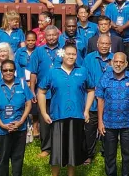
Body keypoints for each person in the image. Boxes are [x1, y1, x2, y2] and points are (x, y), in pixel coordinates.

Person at [37, 44, 95, 176]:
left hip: (77, 116)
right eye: (68, 54)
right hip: (58, 116)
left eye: (73, 54)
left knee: (72, 150)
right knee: (57, 151)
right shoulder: (53, 72)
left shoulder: (83, 71)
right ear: (63, 55)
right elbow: (41, 91)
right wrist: (44, 112)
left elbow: (91, 90)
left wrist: (86, 110)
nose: (71, 56)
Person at [96, 52, 129, 176]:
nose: (118, 64)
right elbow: (100, 100)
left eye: (121, 62)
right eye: (116, 61)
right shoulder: (105, 78)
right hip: (109, 123)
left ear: (126, 64)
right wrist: (100, 122)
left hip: (127, 123)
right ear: (111, 63)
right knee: (109, 155)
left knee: (127, 155)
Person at [0, 59, 33, 176]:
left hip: (19, 128)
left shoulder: (22, 84)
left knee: (18, 159)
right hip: (1, 130)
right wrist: (2, 125)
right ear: (1, 71)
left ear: (15, 71)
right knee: (3, 160)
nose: (8, 72)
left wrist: (21, 121)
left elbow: (29, 104)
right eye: (5, 70)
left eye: (11, 70)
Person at [28, 25, 64, 157]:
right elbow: (33, 72)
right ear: (45, 36)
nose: (51, 37)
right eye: (48, 35)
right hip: (43, 92)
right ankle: (46, 148)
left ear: (58, 35)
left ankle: (60, 145)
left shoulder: (64, 49)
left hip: (61, 91)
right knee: (44, 120)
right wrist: (32, 90)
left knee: (60, 118)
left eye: (54, 35)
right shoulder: (38, 51)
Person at [83, 35, 114, 163]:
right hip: (92, 102)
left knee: (107, 129)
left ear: (110, 45)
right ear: (97, 44)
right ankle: (89, 154)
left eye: (107, 44)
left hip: (109, 101)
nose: (104, 46)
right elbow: (84, 76)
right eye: (102, 43)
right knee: (89, 129)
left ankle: (106, 152)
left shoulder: (115, 59)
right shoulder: (89, 58)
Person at [105, 0, 129, 64]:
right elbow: (107, 19)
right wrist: (117, 28)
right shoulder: (110, 6)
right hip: (114, 39)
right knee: (115, 61)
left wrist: (122, 28)